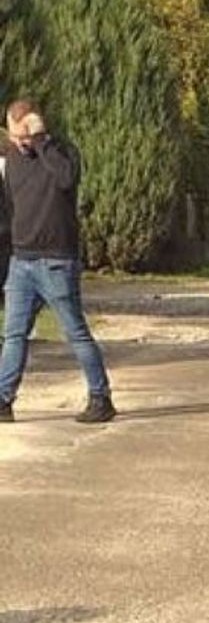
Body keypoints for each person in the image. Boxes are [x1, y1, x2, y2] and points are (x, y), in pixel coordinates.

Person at [0, 99, 115, 424]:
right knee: (14, 334)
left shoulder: (62, 154)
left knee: (75, 333)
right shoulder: (12, 158)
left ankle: (100, 398)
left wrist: (40, 140)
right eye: (13, 135)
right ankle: (3, 399)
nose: (16, 142)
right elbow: (12, 205)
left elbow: (66, 180)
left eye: (21, 135)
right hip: (21, 262)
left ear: (36, 128)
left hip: (56, 262)